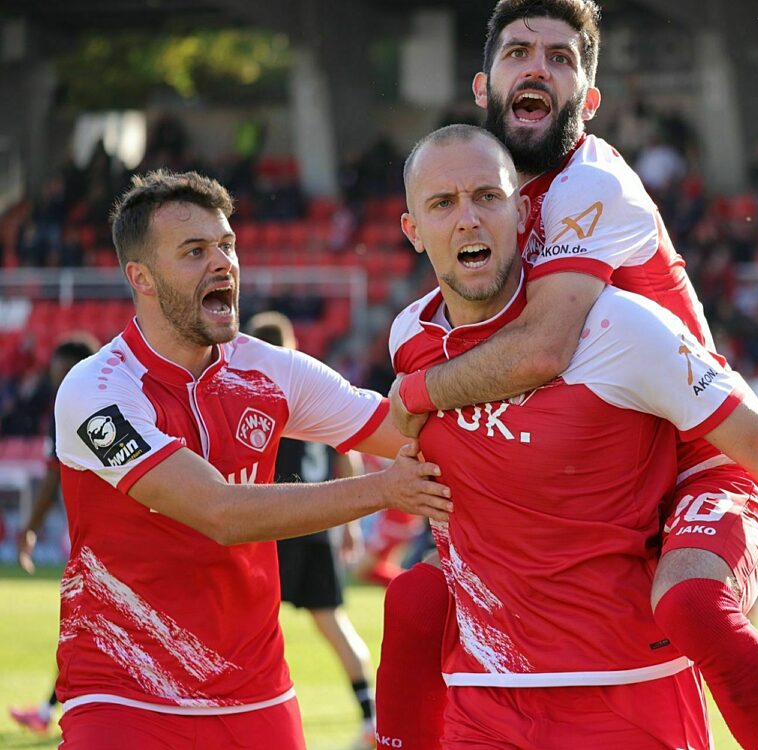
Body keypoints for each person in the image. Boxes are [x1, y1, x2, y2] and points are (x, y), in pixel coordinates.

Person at [377, 124, 758, 748]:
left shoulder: (619, 327)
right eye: (443, 204)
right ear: (413, 229)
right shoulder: (409, 342)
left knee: (693, 603)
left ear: (523, 210)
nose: (467, 219)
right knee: (416, 596)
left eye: (486, 196)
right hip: (487, 698)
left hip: (627, 689)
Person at [383, 3, 758, 747]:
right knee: (418, 601)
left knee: (693, 607)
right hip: (609, 471)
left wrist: (413, 396)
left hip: (706, 461)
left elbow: (543, 349)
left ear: (590, 98)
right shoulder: (494, 206)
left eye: (560, 57)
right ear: (484, 85)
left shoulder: (589, 184)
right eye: (520, 52)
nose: (538, 67)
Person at [51, 169, 450, 750]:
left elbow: (401, 428)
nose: (223, 264)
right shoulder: (97, 391)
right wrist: (387, 490)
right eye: (195, 251)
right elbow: (220, 512)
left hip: (257, 693)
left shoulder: (269, 369)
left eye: (227, 245)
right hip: (123, 692)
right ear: (141, 278)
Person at [246, 311, 378, 750]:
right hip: (317, 523)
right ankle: (372, 715)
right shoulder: (312, 385)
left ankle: (238, 713)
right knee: (333, 624)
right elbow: (351, 454)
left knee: (247, 627)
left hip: (272, 522)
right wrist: (350, 526)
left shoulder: (252, 389)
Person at [9, 335, 99, 737]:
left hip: (101, 539)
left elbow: (51, 476)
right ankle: (52, 710)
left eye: (64, 375)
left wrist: (28, 529)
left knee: (84, 625)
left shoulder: (76, 406)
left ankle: (57, 713)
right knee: (87, 625)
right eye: (56, 376)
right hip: (98, 536)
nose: (60, 384)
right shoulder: (101, 400)